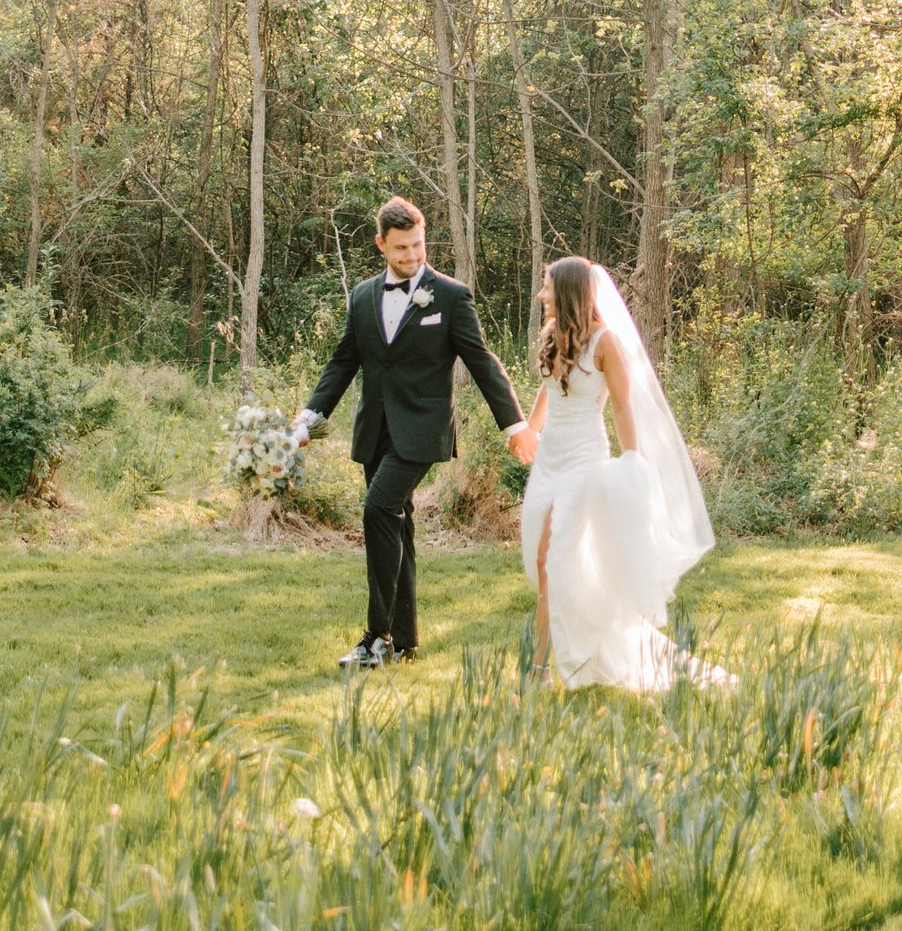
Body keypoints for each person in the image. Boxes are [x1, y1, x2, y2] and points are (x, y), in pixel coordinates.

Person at [291, 195, 531, 669]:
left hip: (422, 431)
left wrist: (516, 424)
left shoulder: (450, 295)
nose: (412, 256)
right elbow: (342, 363)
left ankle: (375, 636)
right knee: (397, 526)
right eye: (401, 249)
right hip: (374, 430)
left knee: (378, 509)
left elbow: (481, 361)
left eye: (418, 246)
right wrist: (307, 419)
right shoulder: (361, 296)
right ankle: (404, 640)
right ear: (381, 244)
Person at [515, 255, 715, 689]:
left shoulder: (605, 343)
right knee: (543, 559)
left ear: (566, 291)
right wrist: (530, 429)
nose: (540, 293)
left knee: (555, 558)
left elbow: (623, 405)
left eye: (546, 285)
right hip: (550, 459)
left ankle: (542, 669)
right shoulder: (552, 334)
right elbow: (548, 388)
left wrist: (632, 461)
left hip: (585, 461)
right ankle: (573, 643)